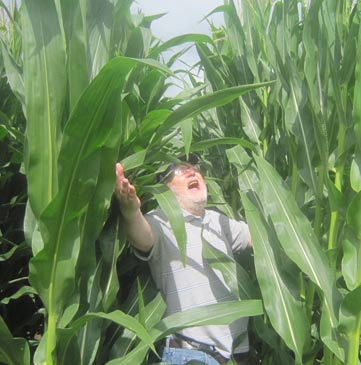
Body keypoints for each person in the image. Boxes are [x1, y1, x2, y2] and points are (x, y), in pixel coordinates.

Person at [115, 158, 252, 365]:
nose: (192, 173)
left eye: (195, 170)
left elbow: (258, 238)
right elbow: (142, 237)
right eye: (179, 171)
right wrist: (131, 211)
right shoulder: (161, 221)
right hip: (193, 355)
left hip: (237, 354)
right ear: (165, 192)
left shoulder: (219, 222)